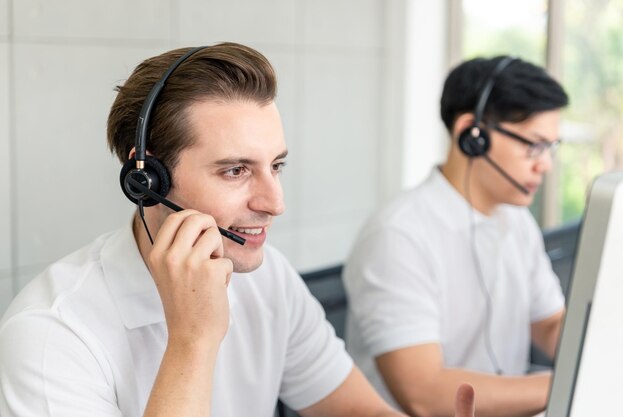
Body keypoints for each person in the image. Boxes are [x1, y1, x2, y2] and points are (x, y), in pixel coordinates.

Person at [0, 43, 475, 417]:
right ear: (146, 180)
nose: (275, 203)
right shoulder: (51, 335)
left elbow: (354, 409)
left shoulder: (269, 278)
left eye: (277, 166)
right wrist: (193, 340)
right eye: (235, 171)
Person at [342, 56, 568, 417]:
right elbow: (424, 394)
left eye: (550, 148)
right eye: (534, 145)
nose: (545, 165)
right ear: (472, 134)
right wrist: (569, 382)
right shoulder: (398, 235)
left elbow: (550, 323)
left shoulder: (517, 220)